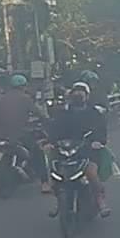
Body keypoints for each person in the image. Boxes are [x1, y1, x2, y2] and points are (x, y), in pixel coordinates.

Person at [49, 81, 111, 217]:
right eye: (75, 92)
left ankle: (100, 200)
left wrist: (97, 141)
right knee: (55, 174)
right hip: (66, 151)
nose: (78, 95)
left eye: (81, 92)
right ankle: (58, 202)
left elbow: (101, 130)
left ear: (87, 96)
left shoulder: (94, 113)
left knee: (91, 173)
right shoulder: (63, 113)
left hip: (87, 150)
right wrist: (51, 142)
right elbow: (54, 129)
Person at [0, 74, 50, 193]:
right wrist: (46, 120)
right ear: (23, 86)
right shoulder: (25, 98)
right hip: (19, 135)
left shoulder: (1, 98)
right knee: (38, 153)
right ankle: (45, 183)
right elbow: (39, 113)